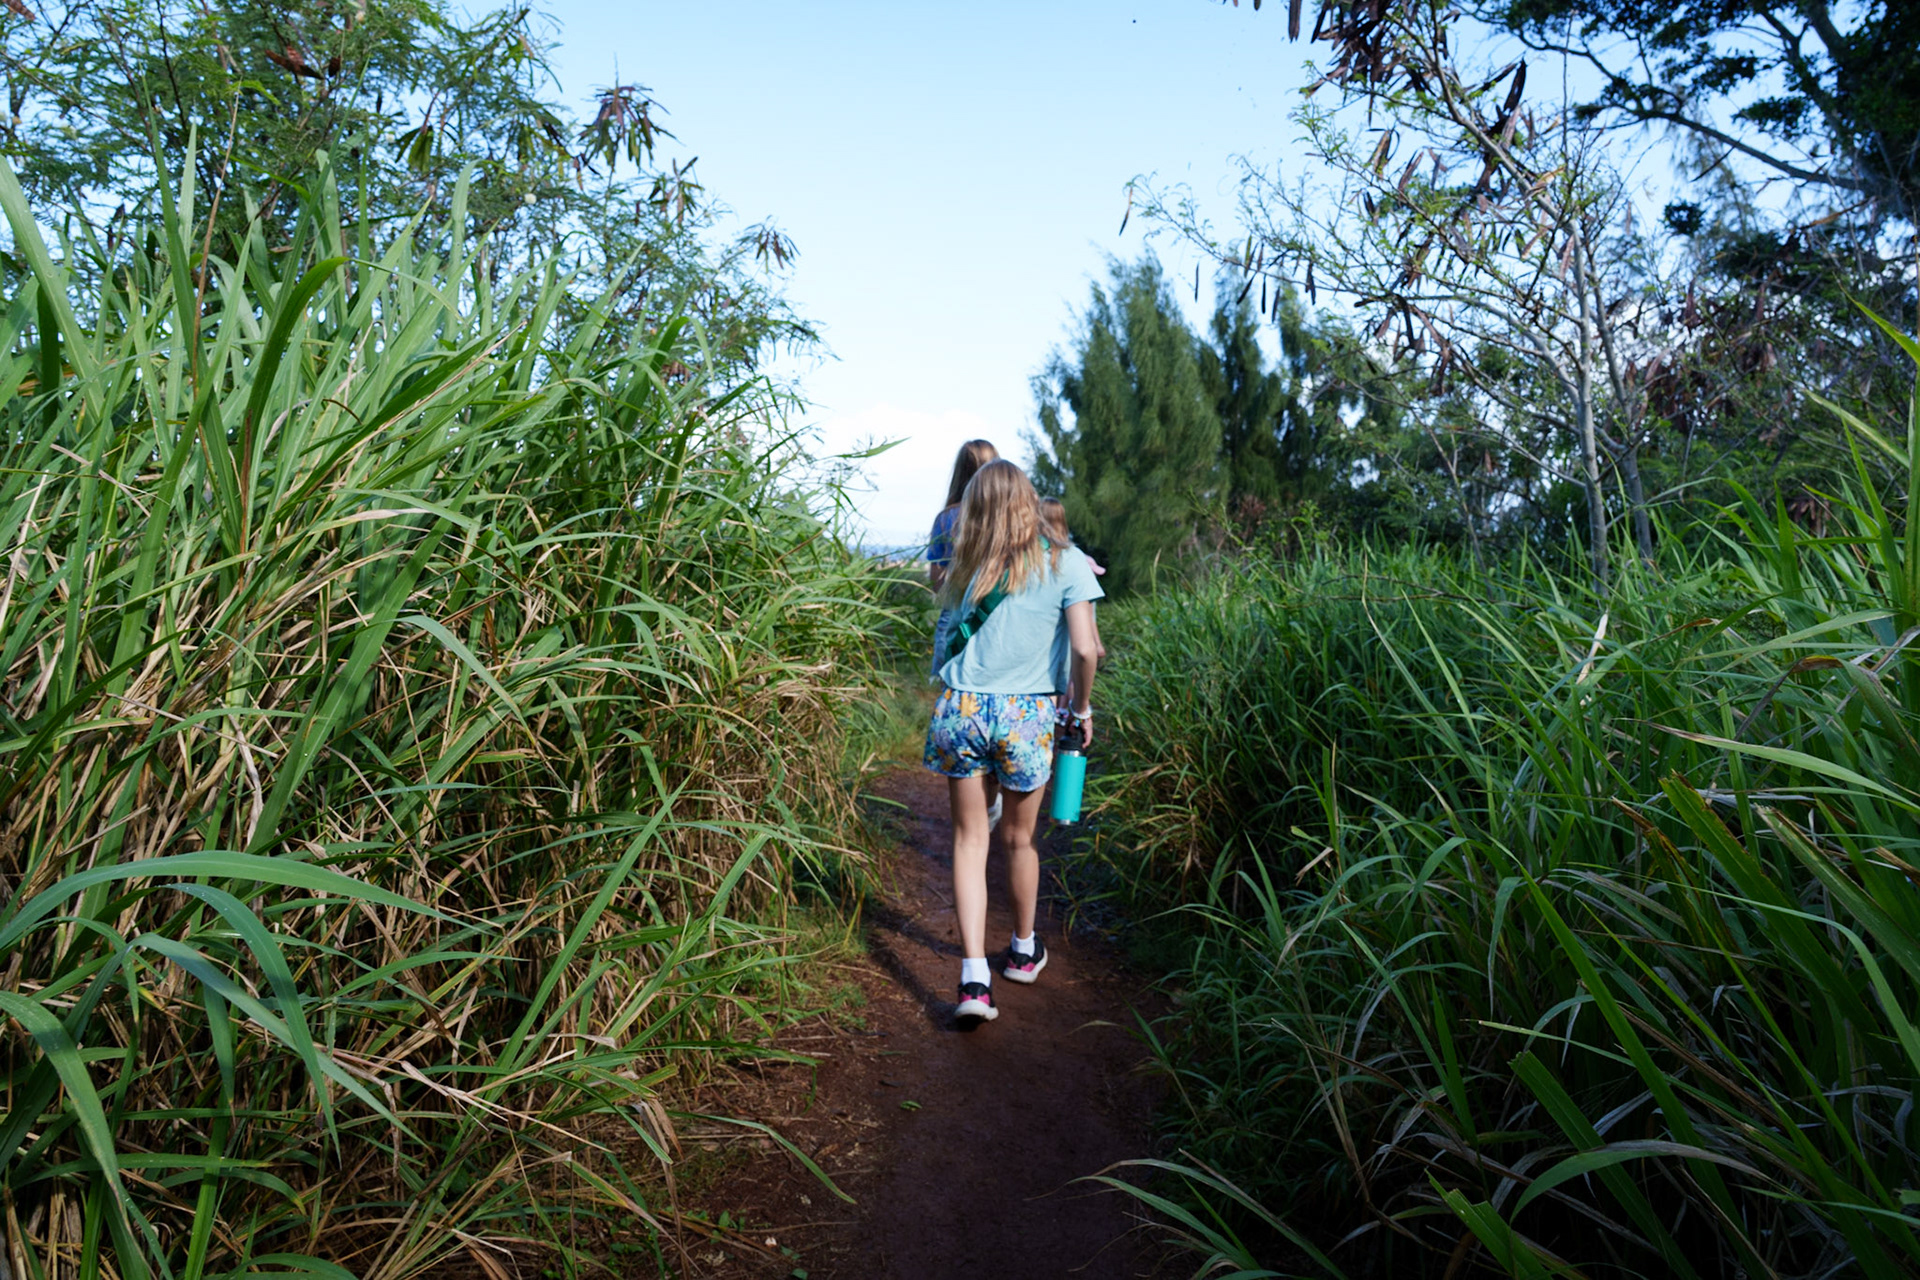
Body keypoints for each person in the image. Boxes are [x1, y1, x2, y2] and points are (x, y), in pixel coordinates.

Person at [924, 461, 1102, 1027]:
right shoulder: (1066, 562)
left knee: (969, 840)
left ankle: (974, 980)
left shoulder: (965, 561)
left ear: (974, 507)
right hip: (1027, 715)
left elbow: (948, 627)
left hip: (963, 709)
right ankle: (1024, 952)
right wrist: (1080, 708)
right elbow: (1086, 650)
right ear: (1028, 501)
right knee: (1020, 839)